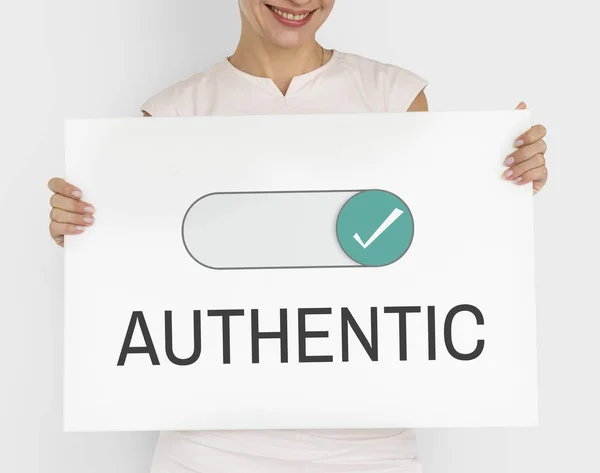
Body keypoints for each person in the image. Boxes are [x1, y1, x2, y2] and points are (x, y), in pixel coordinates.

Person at [47, 1, 549, 472]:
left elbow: (432, 249)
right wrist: (86, 232)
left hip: (370, 448)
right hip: (211, 448)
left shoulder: (391, 96)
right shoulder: (173, 114)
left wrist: (500, 191)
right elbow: (150, 274)